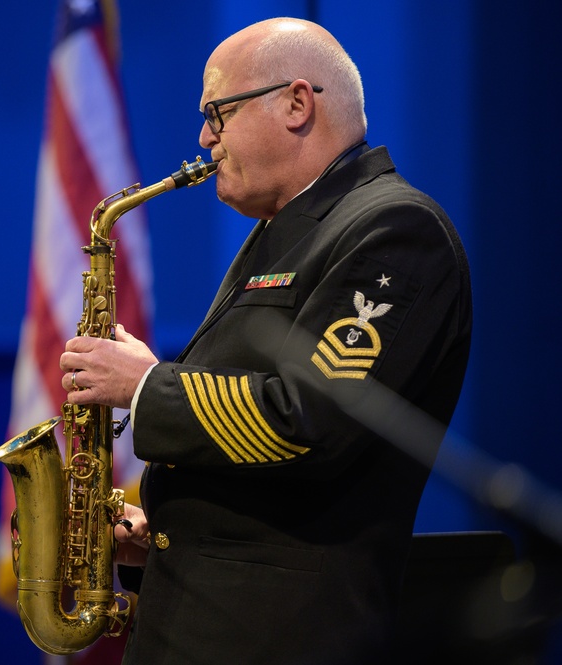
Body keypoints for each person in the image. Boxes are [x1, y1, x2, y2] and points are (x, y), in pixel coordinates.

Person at [58, 17, 472, 664]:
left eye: (215, 114)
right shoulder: (285, 229)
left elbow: (305, 420)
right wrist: (164, 537)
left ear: (296, 104)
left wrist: (142, 386)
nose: (202, 138)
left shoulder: (393, 228)